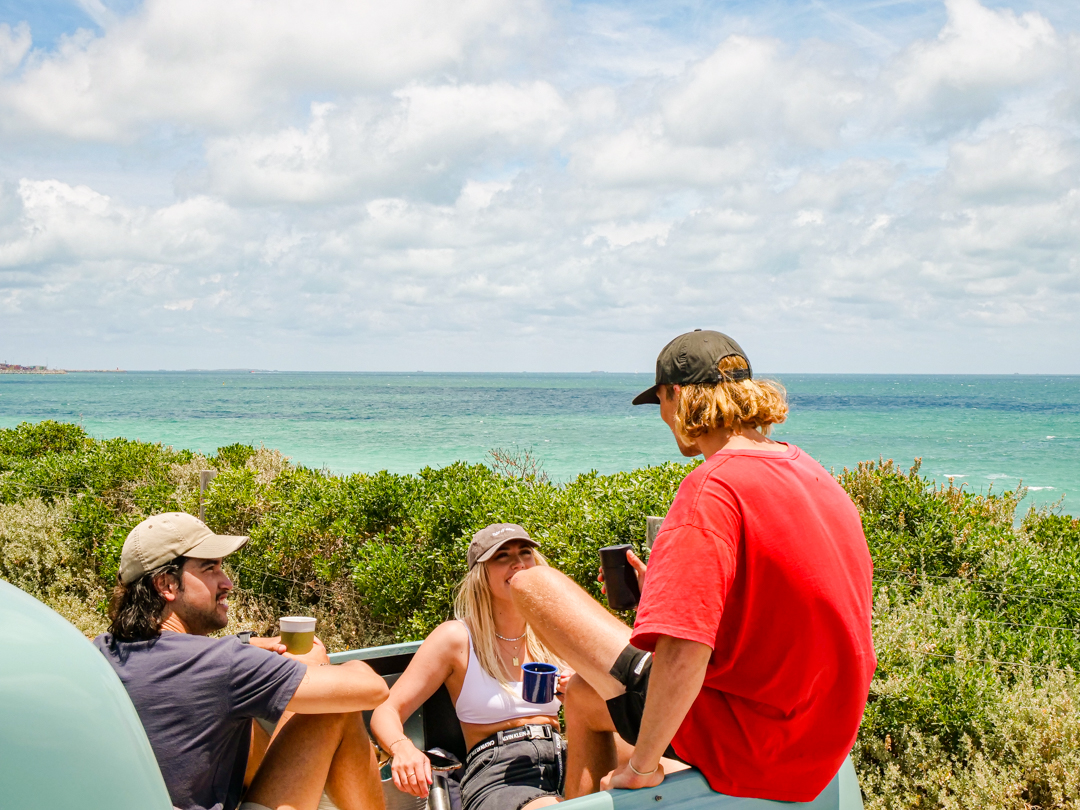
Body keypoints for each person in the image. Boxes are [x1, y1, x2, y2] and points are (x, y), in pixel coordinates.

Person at [509, 329, 876, 802]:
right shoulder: (813, 473)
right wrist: (661, 596)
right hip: (820, 737)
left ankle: (624, 789)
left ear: (677, 397)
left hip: (750, 743)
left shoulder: (712, 488)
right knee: (581, 696)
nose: (663, 417)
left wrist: (642, 766)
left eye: (660, 401)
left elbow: (684, 652)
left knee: (533, 582)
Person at [94, 511, 390, 810]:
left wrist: (246, 645)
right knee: (337, 708)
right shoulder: (223, 664)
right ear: (166, 585)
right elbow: (373, 690)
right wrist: (318, 663)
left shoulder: (99, 652)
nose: (228, 583)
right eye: (210, 569)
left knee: (237, 719)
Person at [370, 524, 570, 810]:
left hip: (565, 755)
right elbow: (386, 710)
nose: (517, 562)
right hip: (498, 770)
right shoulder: (457, 638)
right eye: (502, 556)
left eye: (525, 552)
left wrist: (577, 690)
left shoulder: (554, 632)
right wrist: (402, 748)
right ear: (481, 573)